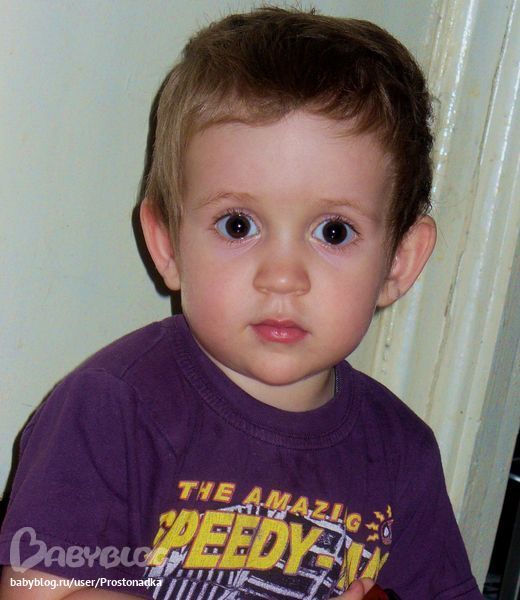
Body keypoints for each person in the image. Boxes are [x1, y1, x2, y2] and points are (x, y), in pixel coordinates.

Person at [0, 6, 483, 600]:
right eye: (238, 225)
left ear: (400, 262)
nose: (283, 277)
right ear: (167, 244)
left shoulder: (400, 453)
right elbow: (38, 593)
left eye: (333, 232)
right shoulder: (111, 410)